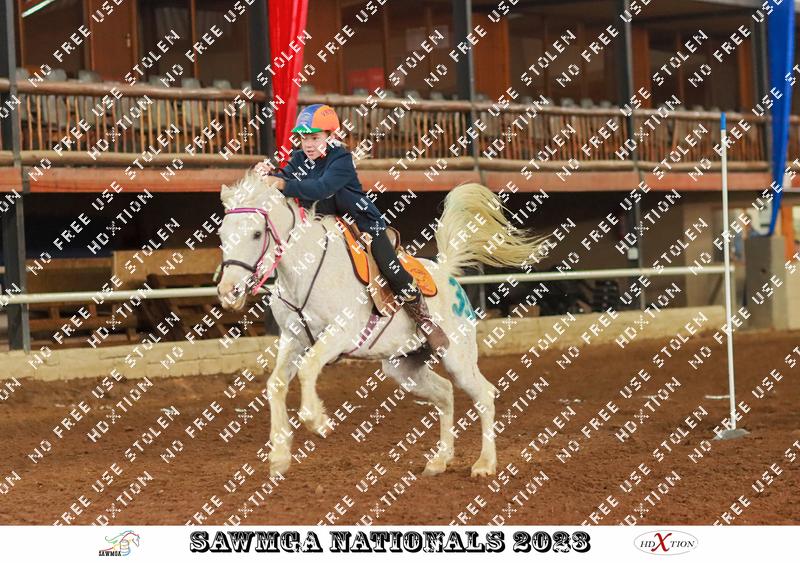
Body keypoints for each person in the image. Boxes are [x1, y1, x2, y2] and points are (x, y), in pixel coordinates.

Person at [256, 103, 449, 352]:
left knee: (391, 269)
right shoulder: (299, 157)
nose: (308, 144)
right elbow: (284, 176)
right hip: (325, 226)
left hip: (364, 224)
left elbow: (321, 188)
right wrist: (268, 172)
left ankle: (425, 321)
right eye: (304, 138)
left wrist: (280, 183)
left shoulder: (342, 159)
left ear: (331, 136)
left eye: (315, 137)